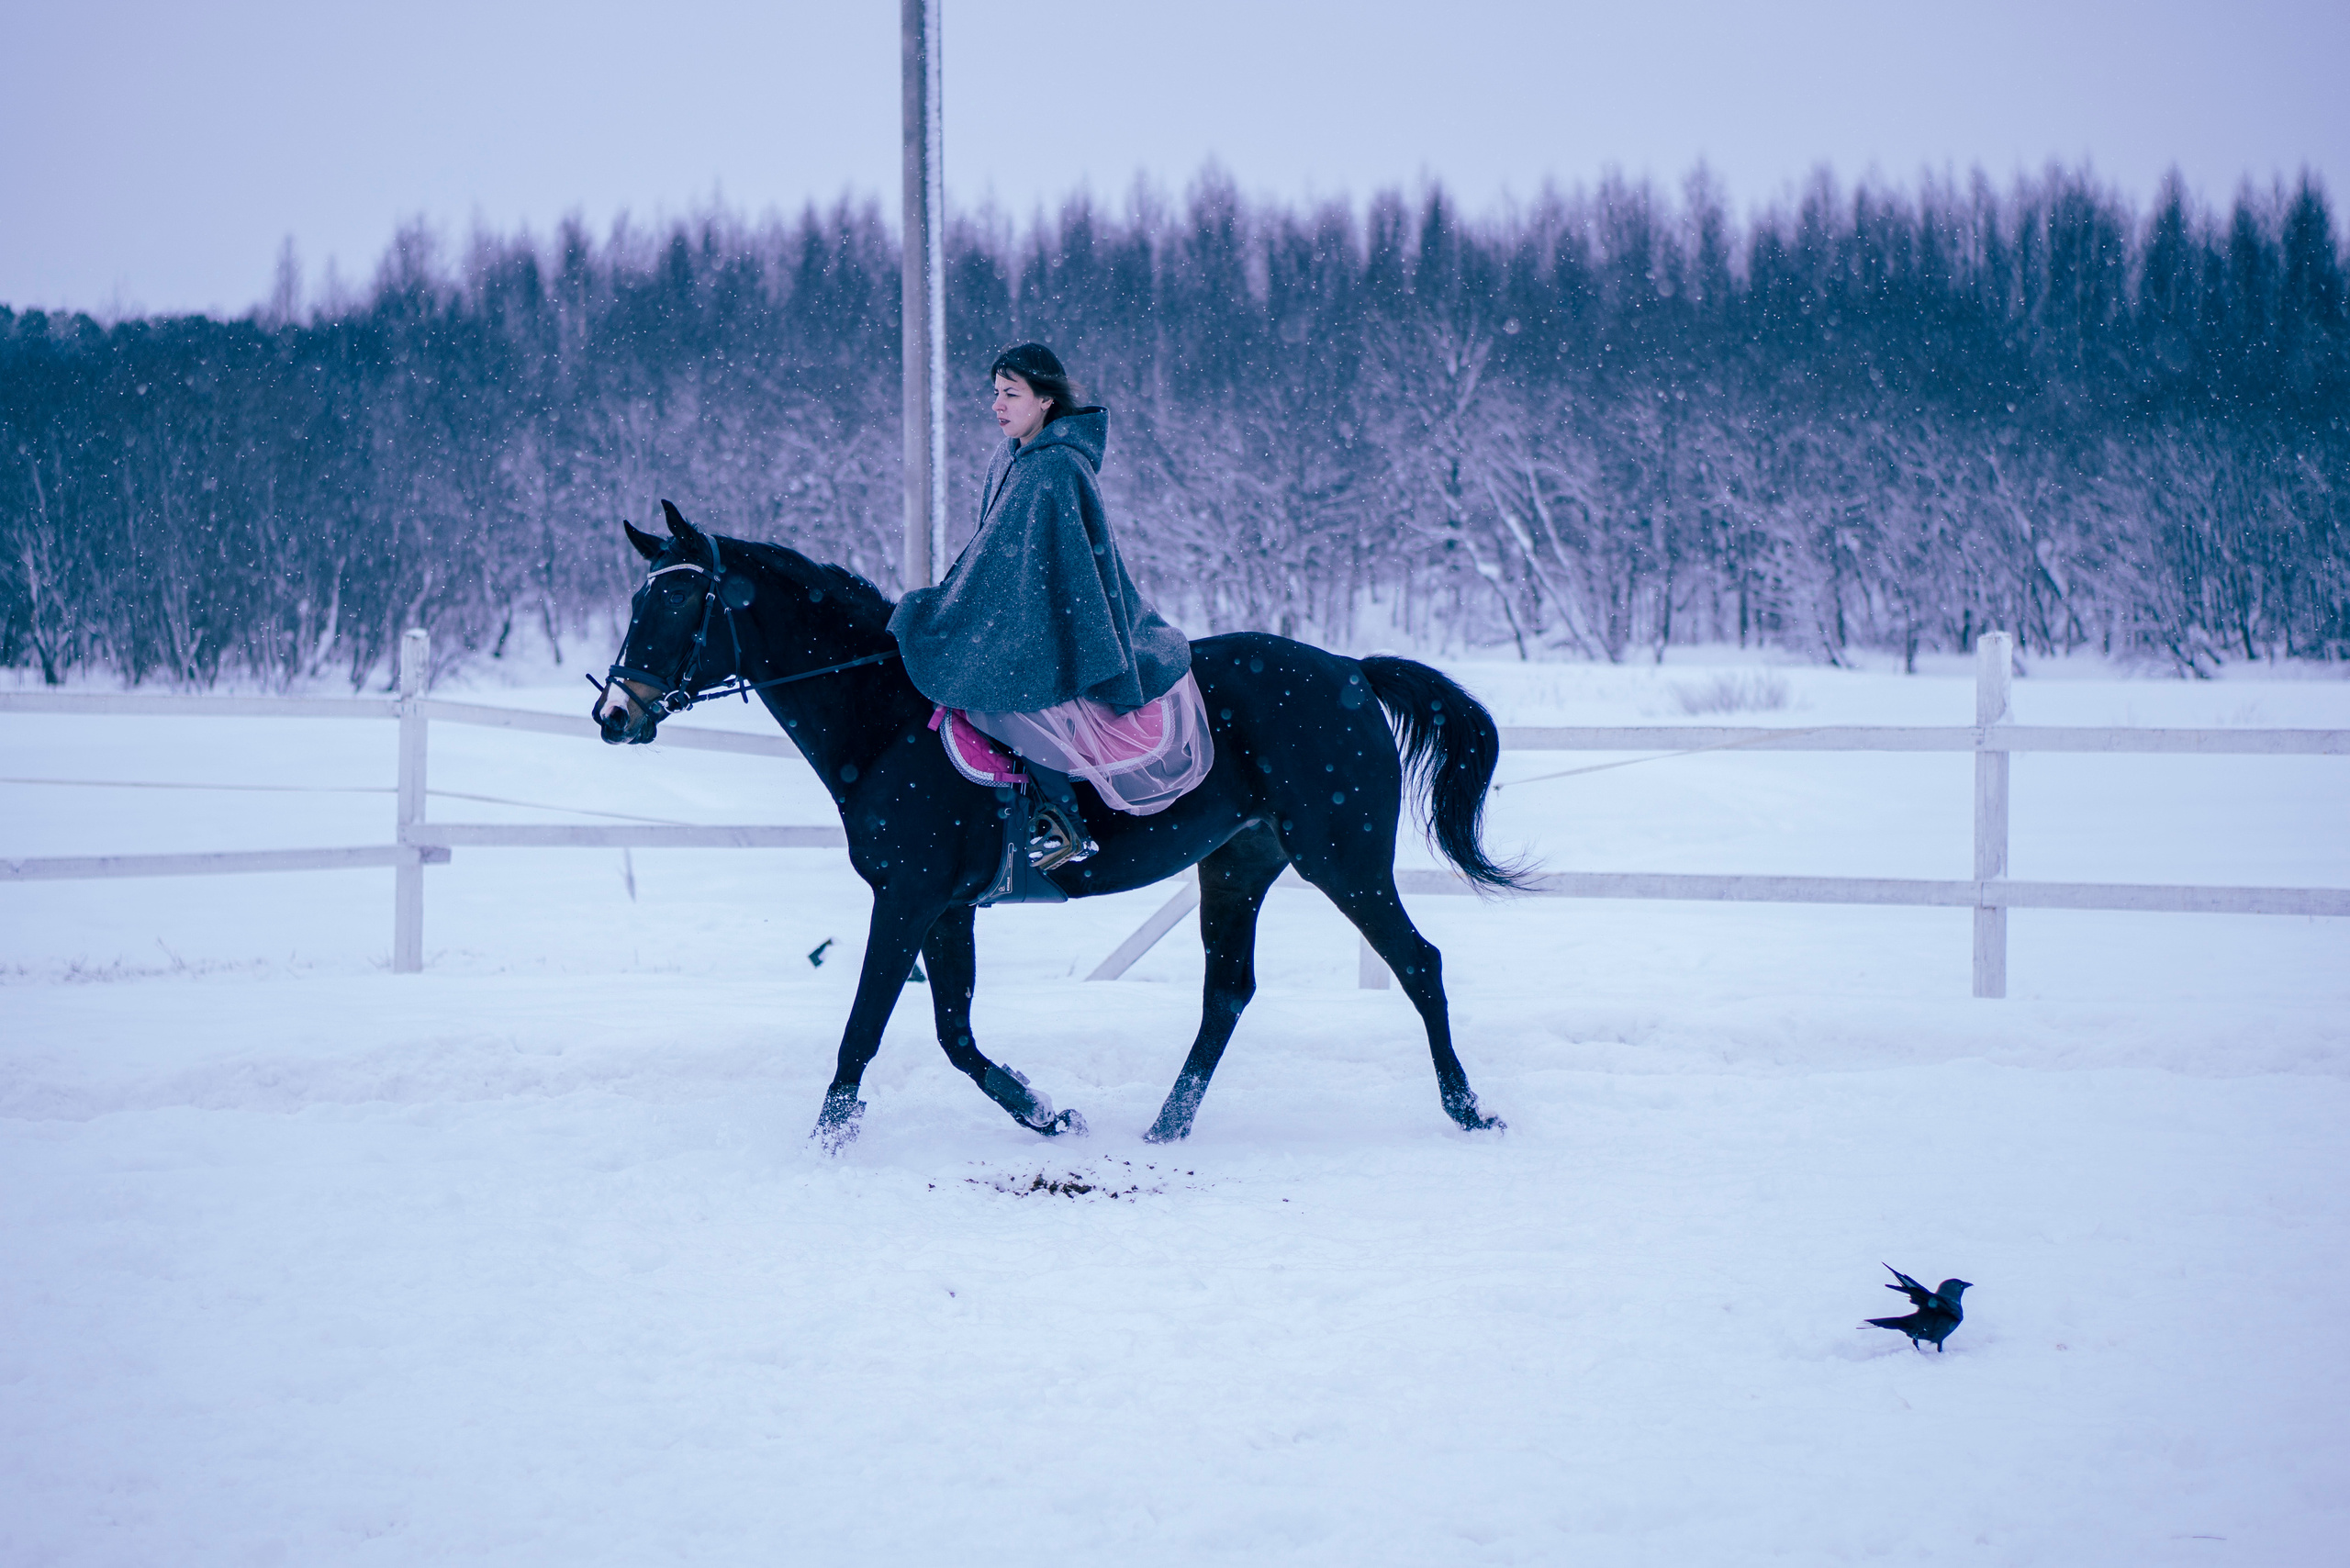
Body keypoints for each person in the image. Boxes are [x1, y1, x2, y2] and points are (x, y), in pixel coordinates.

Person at [888, 342, 1212, 868]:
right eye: (995, 393)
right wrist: (953, 604)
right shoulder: (1008, 459)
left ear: (1045, 401)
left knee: (1007, 694)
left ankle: (1061, 819)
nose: (998, 405)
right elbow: (993, 556)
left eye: (1011, 394)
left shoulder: (1056, 468)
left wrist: (993, 620)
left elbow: (1063, 571)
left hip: (1062, 620)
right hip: (1024, 616)